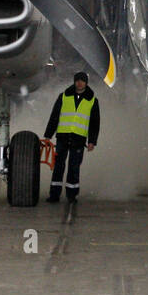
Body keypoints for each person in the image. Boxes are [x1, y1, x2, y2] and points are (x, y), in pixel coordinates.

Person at [43, 72, 101, 203]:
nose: (79, 83)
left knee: (74, 167)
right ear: (74, 82)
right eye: (78, 80)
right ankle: (54, 195)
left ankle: (72, 195)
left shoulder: (92, 100)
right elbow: (55, 116)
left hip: (79, 139)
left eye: (82, 81)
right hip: (63, 137)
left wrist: (92, 141)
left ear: (86, 83)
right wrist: (48, 135)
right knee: (58, 166)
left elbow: (94, 123)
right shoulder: (64, 96)